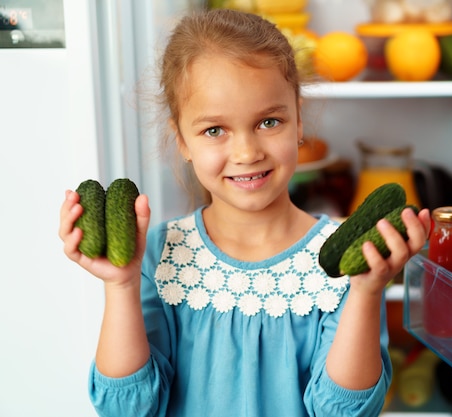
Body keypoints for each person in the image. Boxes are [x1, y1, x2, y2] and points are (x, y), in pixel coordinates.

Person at [59, 8, 431, 417]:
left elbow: (340, 412)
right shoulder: (158, 254)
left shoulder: (343, 260)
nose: (247, 153)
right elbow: (127, 408)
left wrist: (366, 291)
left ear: (299, 122)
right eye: (214, 130)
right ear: (181, 139)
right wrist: (122, 286)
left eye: (269, 122)